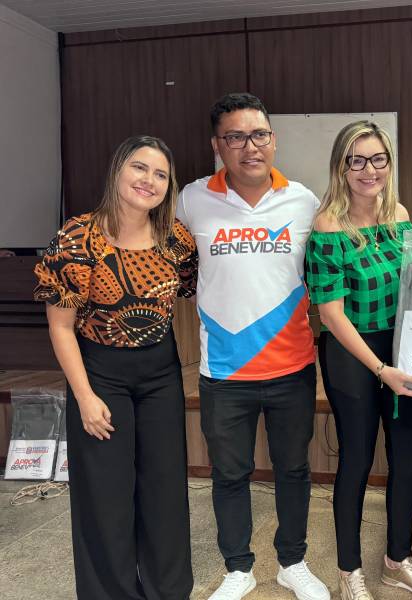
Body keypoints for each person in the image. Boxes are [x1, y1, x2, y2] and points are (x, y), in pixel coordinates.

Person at [176, 93, 329, 600]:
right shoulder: (191, 200)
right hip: (224, 371)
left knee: (294, 469)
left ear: (273, 140)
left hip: (292, 365)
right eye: (235, 137)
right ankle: (238, 568)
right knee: (229, 474)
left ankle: (293, 562)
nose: (250, 147)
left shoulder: (303, 201)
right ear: (217, 145)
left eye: (259, 134)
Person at [34, 135, 197, 599]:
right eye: (139, 168)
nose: (149, 181)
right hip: (99, 373)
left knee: (165, 490)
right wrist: (85, 397)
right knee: (105, 495)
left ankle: (168, 591)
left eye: (161, 174)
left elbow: (193, 292)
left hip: (160, 372)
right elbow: (61, 327)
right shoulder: (77, 237)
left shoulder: (175, 238)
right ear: (118, 171)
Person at [306, 121, 412, 600]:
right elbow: (331, 313)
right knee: (357, 459)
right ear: (341, 167)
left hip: (401, 346)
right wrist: (381, 369)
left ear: (389, 163)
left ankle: (397, 560)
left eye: (378, 159)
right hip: (352, 352)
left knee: (408, 455)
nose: (370, 170)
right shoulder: (328, 226)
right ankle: (349, 571)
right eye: (357, 160)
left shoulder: (398, 215)